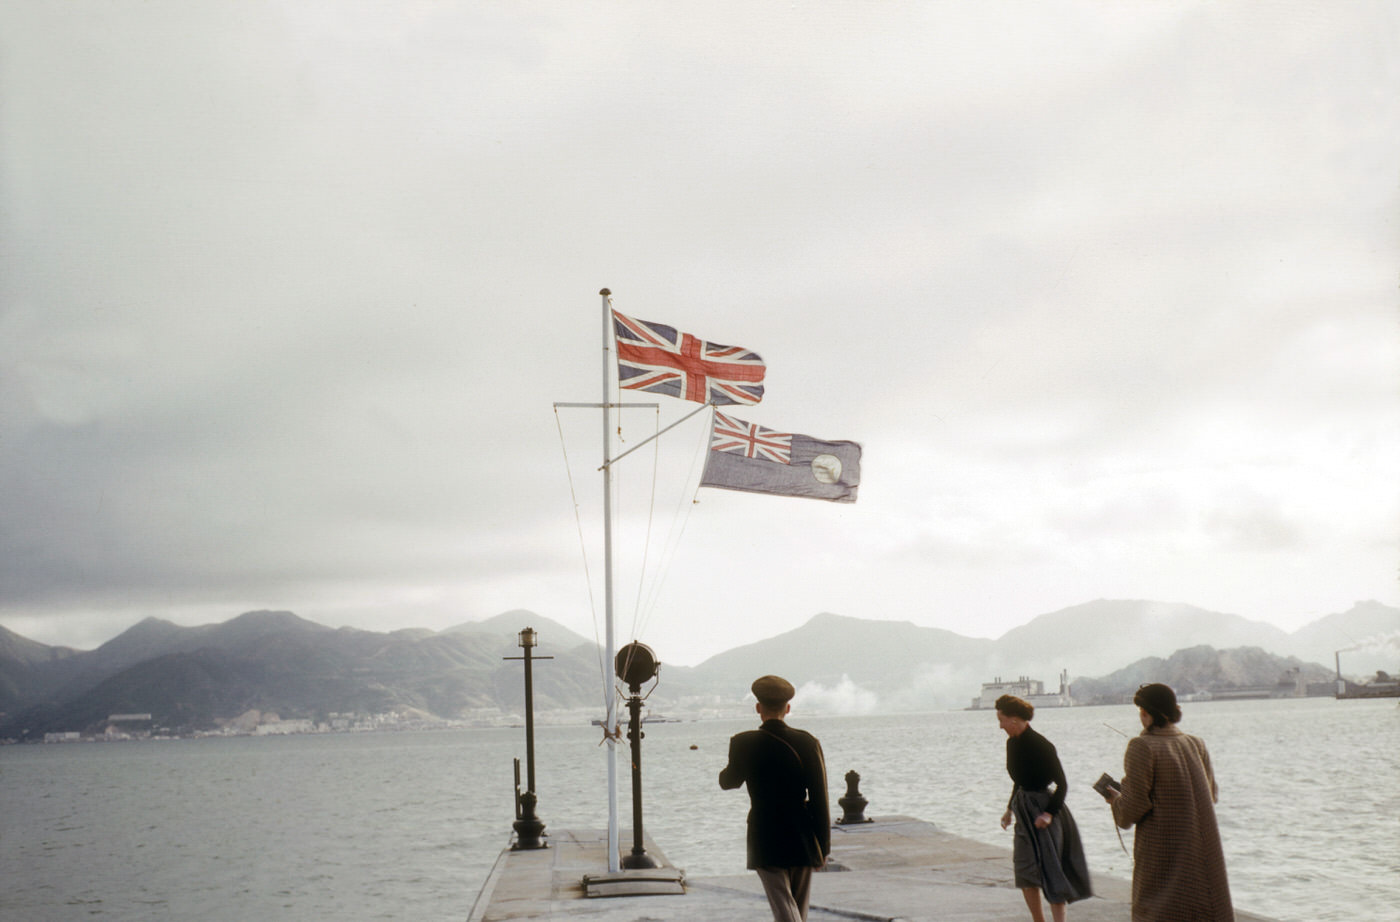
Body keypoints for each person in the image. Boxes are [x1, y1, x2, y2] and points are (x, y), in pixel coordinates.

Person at [1103, 683, 1233, 922]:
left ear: (1146, 713)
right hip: (1202, 855)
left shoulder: (1141, 746)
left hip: (1164, 856)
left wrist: (1115, 799)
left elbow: (1131, 810)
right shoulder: (1196, 743)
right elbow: (1211, 794)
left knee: (1160, 911)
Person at [719, 675, 830, 922]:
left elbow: (729, 782)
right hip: (802, 833)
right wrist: (823, 848)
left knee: (784, 908)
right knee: (796, 909)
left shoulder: (742, 742)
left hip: (765, 833)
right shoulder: (807, 741)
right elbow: (820, 799)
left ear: (758, 708)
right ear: (787, 709)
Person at [996, 693, 1093, 922]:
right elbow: (1018, 780)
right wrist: (1009, 809)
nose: (1000, 726)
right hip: (1023, 808)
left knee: (1052, 870)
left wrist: (1049, 813)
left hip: (1045, 808)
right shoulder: (1012, 743)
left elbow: (1062, 784)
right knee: (1025, 870)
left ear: (1014, 719)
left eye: (1001, 720)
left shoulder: (1042, 745)